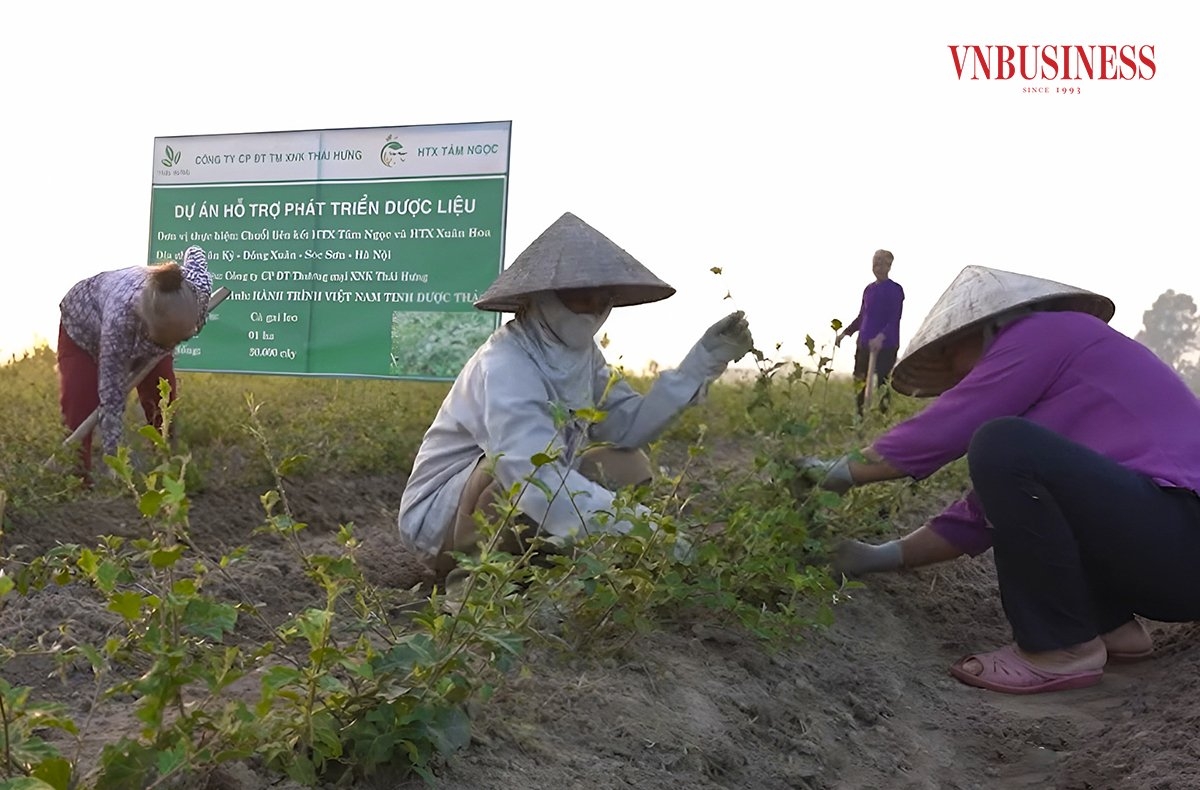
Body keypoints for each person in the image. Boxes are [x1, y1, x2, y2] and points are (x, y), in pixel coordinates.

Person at [800, 265, 1200, 695]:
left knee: (998, 441)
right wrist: (878, 557)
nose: (957, 378)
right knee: (1012, 460)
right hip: (1173, 569)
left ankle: (1060, 648)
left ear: (986, 328)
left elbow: (951, 425)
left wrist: (843, 470)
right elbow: (981, 515)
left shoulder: (1047, 331)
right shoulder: (1061, 394)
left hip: (1183, 529)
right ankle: (1112, 628)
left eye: (951, 357)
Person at [398, 212, 754, 589]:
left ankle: (540, 563)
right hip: (440, 522)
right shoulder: (505, 363)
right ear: (542, 297)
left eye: (603, 298)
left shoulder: (583, 357)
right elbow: (532, 478)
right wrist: (639, 527)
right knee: (510, 471)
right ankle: (474, 585)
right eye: (581, 296)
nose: (594, 308)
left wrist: (701, 364)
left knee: (626, 464)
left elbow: (627, 427)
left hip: (524, 495)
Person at [57, 246, 213, 483]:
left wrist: (170, 337)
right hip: (83, 324)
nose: (174, 346)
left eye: (181, 339)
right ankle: (77, 480)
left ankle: (168, 468)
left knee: (162, 398)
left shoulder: (197, 288)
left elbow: (195, 252)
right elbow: (111, 399)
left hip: (147, 329)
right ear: (150, 328)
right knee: (80, 402)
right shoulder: (121, 320)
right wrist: (115, 462)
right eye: (168, 340)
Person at [835, 249, 904, 415]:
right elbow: (862, 316)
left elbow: (894, 318)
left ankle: (882, 417)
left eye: (882, 263)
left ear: (889, 266)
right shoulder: (869, 290)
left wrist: (881, 337)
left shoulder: (895, 290)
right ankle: (859, 417)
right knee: (859, 381)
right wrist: (845, 333)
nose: (878, 267)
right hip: (864, 343)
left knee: (883, 383)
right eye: (875, 263)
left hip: (886, 346)